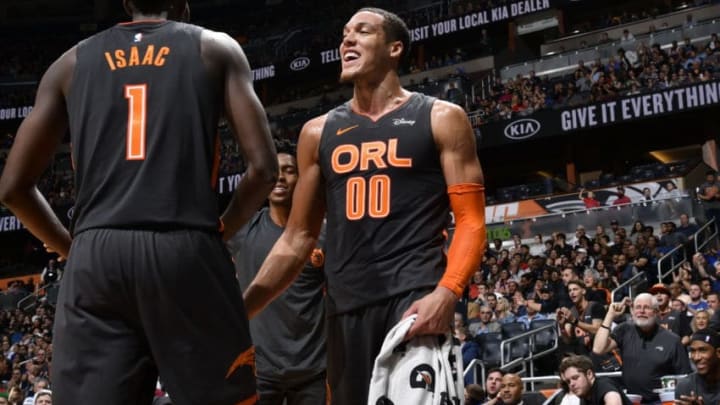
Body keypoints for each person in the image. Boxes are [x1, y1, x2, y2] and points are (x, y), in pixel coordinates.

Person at [0, 1, 279, 403]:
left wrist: (71, 248)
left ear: (127, 2)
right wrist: (221, 230)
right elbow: (264, 170)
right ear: (183, 3)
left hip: (96, 256)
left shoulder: (70, 62)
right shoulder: (215, 47)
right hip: (185, 245)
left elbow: (12, 188)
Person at [242, 7, 486, 405]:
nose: (347, 40)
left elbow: (472, 222)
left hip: (415, 300)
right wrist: (241, 312)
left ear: (394, 48)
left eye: (362, 32)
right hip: (343, 307)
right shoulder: (317, 132)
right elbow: (297, 238)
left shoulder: (442, 118)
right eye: (344, 34)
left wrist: (447, 293)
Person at [227, 141, 327, 405]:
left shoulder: (323, 233)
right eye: (276, 169)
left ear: (303, 177)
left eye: (290, 170)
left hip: (314, 369)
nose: (281, 176)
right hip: (260, 369)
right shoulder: (241, 232)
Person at [592, 294, 692, 403]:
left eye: (647, 307)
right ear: (632, 311)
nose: (641, 311)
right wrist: (610, 316)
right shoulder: (624, 329)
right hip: (631, 400)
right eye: (638, 307)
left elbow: (685, 377)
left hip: (661, 401)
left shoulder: (673, 340)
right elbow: (598, 348)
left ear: (656, 312)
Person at [559, 355, 631, 405]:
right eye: (568, 381)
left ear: (589, 374)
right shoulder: (584, 397)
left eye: (575, 378)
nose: (571, 384)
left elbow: (614, 401)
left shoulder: (603, 385)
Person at [675, 329, 720, 405]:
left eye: (703, 350)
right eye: (692, 351)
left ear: (718, 353)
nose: (696, 357)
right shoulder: (685, 387)